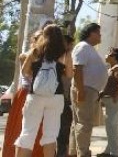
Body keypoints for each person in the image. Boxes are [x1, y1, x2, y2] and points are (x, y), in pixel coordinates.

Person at [15, 24, 73, 157]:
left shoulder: (35, 51)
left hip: (35, 96)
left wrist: (37, 75)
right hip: (56, 96)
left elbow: (24, 72)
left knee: (27, 133)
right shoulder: (65, 53)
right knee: (50, 135)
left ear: (44, 35)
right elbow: (69, 74)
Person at [3, 30, 45, 157]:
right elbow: (30, 74)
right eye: (39, 38)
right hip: (26, 94)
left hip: (40, 95)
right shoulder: (25, 55)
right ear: (34, 40)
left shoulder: (46, 57)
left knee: (40, 130)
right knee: (21, 128)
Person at [68, 22, 108, 157]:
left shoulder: (89, 48)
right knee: (84, 124)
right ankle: (83, 153)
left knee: (79, 123)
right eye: (98, 33)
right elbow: (77, 69)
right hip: (84, 89)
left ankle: (75, 153)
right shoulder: (83, 47)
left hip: (89, 90)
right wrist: (80, 91)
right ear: (91, 33)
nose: (100, 35)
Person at [98, 47, 118, 157]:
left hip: (115, 101)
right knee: (110, 126)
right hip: (111, 101)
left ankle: (115, 153)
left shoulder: (117, 68)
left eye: (109, 55)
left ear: (114, 57)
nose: (107, 56)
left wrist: (116, 96)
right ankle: (108, 150)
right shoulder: (113, 68)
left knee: (112, 125)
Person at [57, 34, 75, 157]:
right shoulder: (63, 57)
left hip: (62, 98)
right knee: (63, 130)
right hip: (61, 98)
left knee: (61, 130)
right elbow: (69, 75)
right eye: (70, 45)